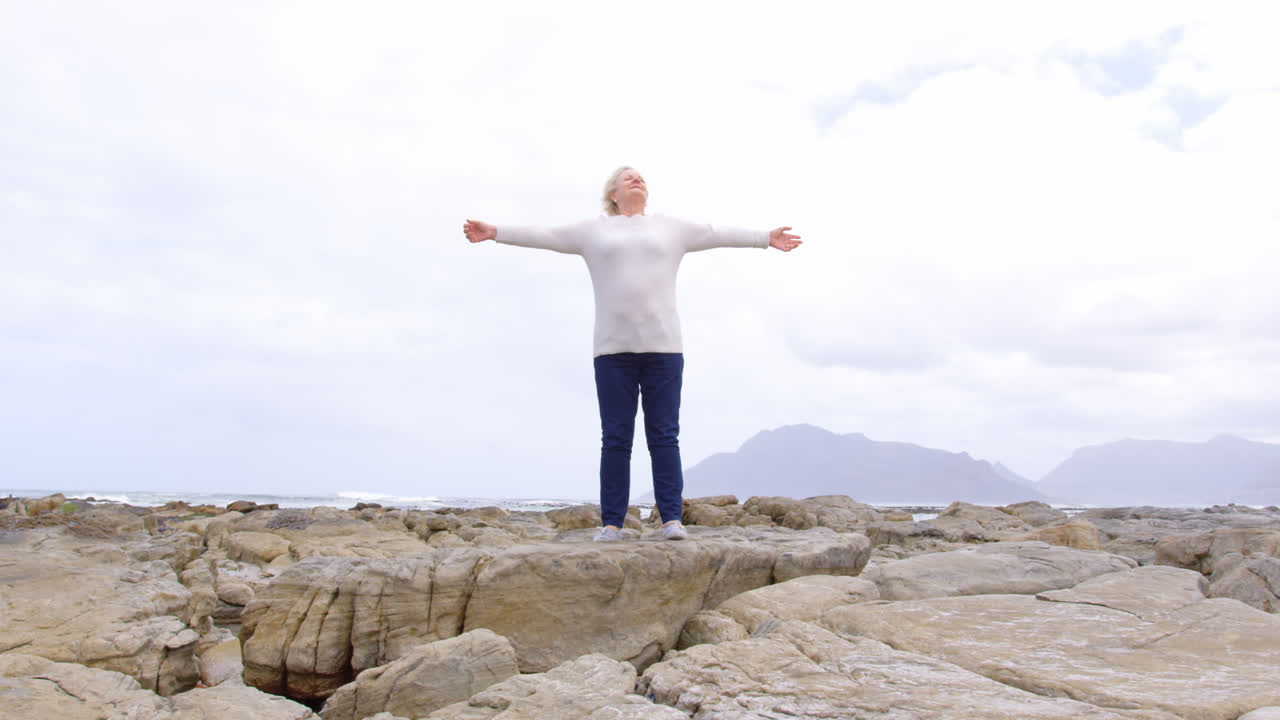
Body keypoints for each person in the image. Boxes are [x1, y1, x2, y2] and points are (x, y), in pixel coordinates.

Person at [463, 166, 801, 542]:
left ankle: (672, 518)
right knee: (616, 438)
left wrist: (764, 238)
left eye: (640, 176)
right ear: (613, 194)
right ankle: (612, 523)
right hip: (612, 351)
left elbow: (715, 233)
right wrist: (495, 232)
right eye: (627, 177)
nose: (636, 179)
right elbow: (546, 234)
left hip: (664, 349)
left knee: (664, 436)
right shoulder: (593, 231)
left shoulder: (671, 228)